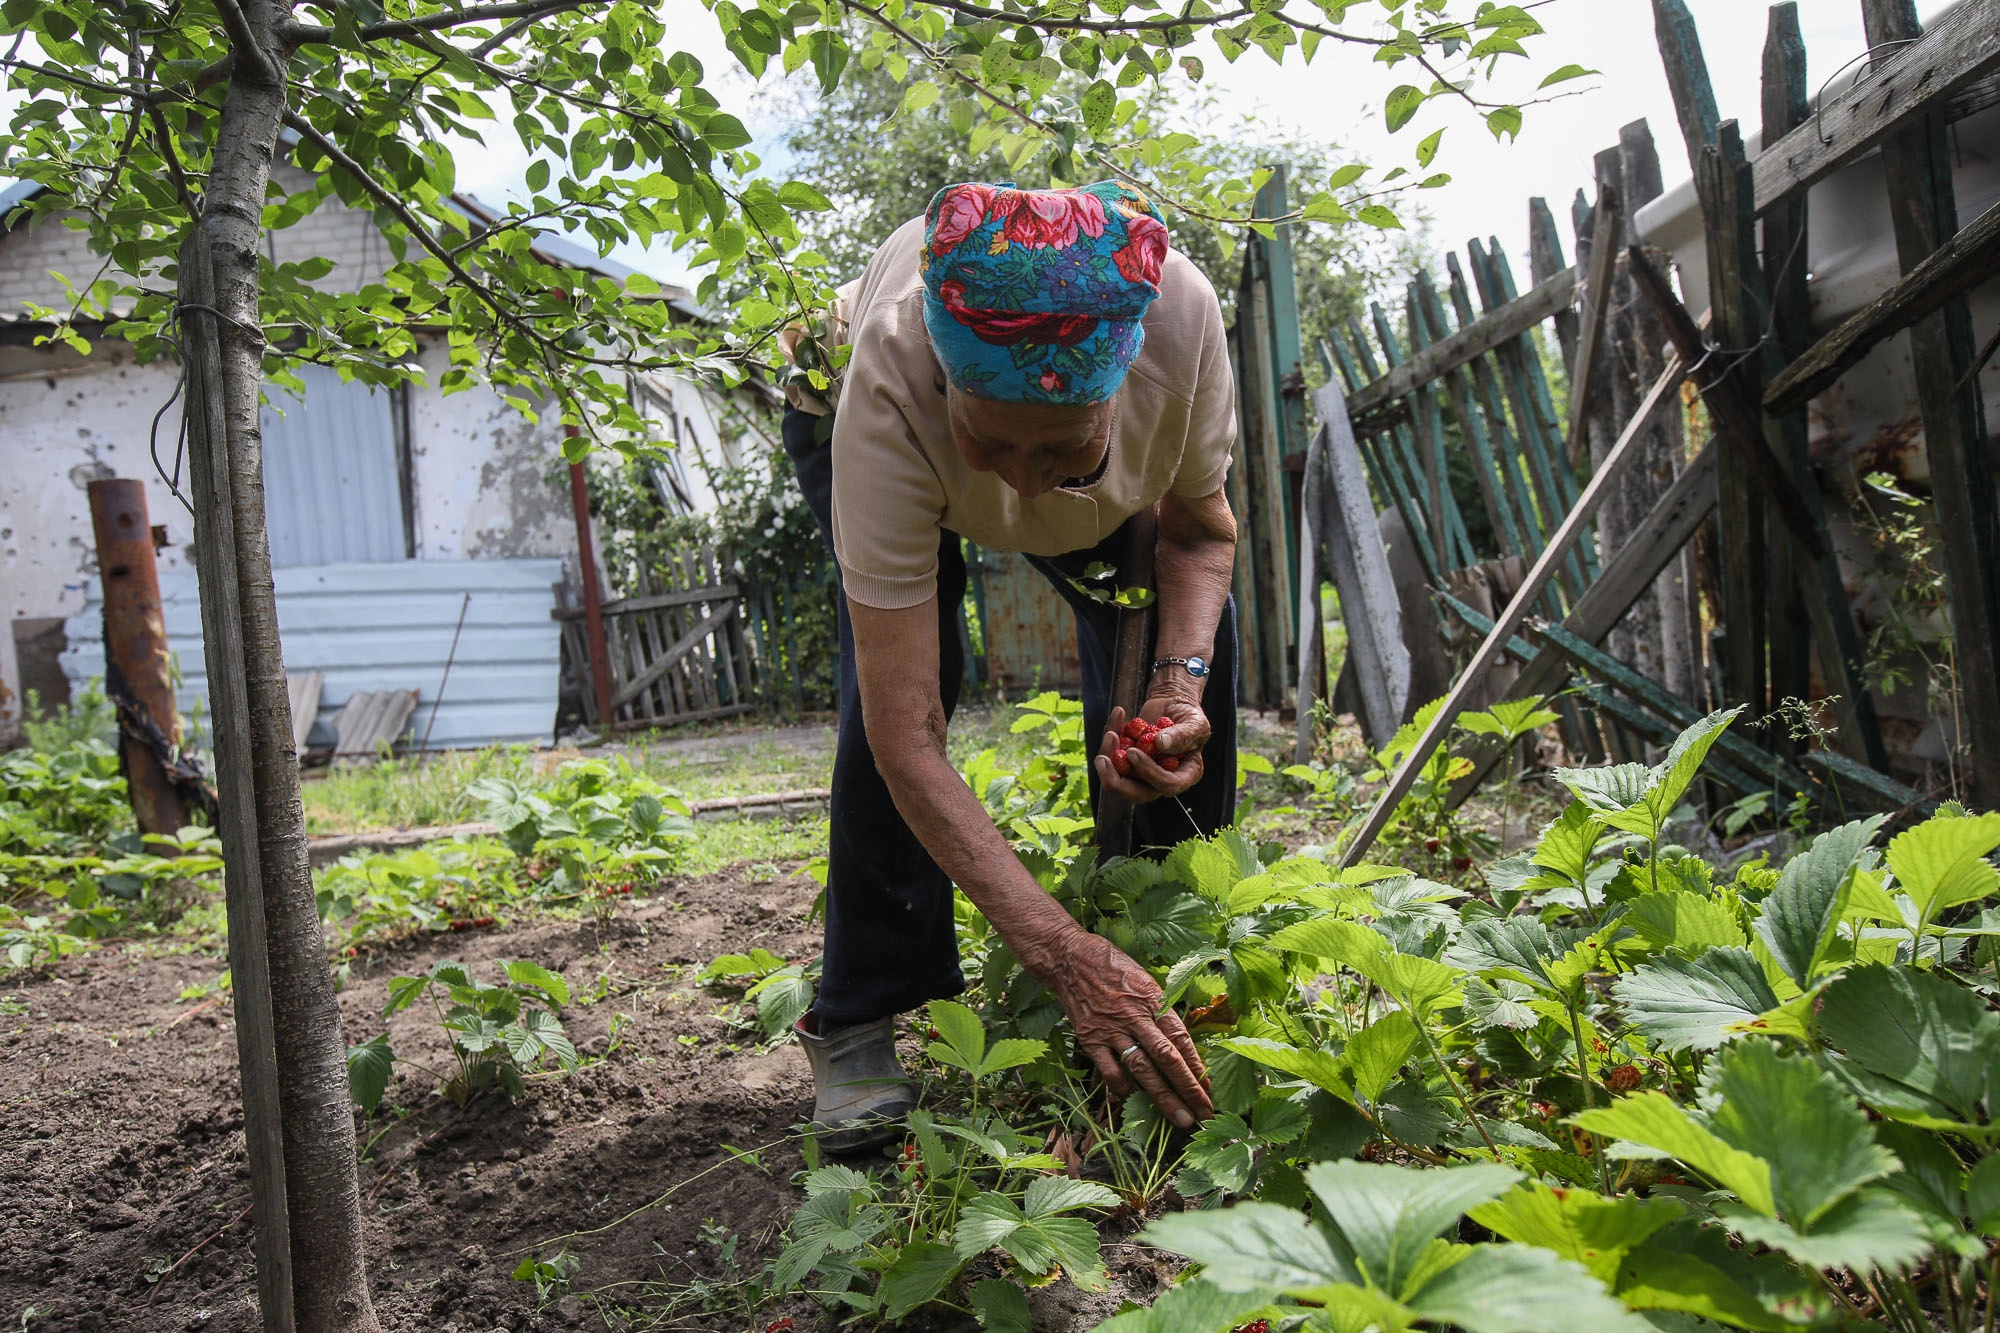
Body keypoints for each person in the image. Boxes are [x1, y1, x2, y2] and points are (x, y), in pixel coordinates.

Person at [778, 180, 1241, 1151]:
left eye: (1061, 455)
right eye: (988, 443)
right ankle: (857, 1011)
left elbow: (1197, 535)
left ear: (1120, 392)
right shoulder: (887, 385)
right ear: (947, 387)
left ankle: (1165, 951)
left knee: (1188, 642)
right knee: (895, 697)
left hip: (1076, 458)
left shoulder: (1181, 326)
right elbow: (911, 741)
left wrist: (1173, 687)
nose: (1021, 493)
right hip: (844, 412)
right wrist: (1056, 953)